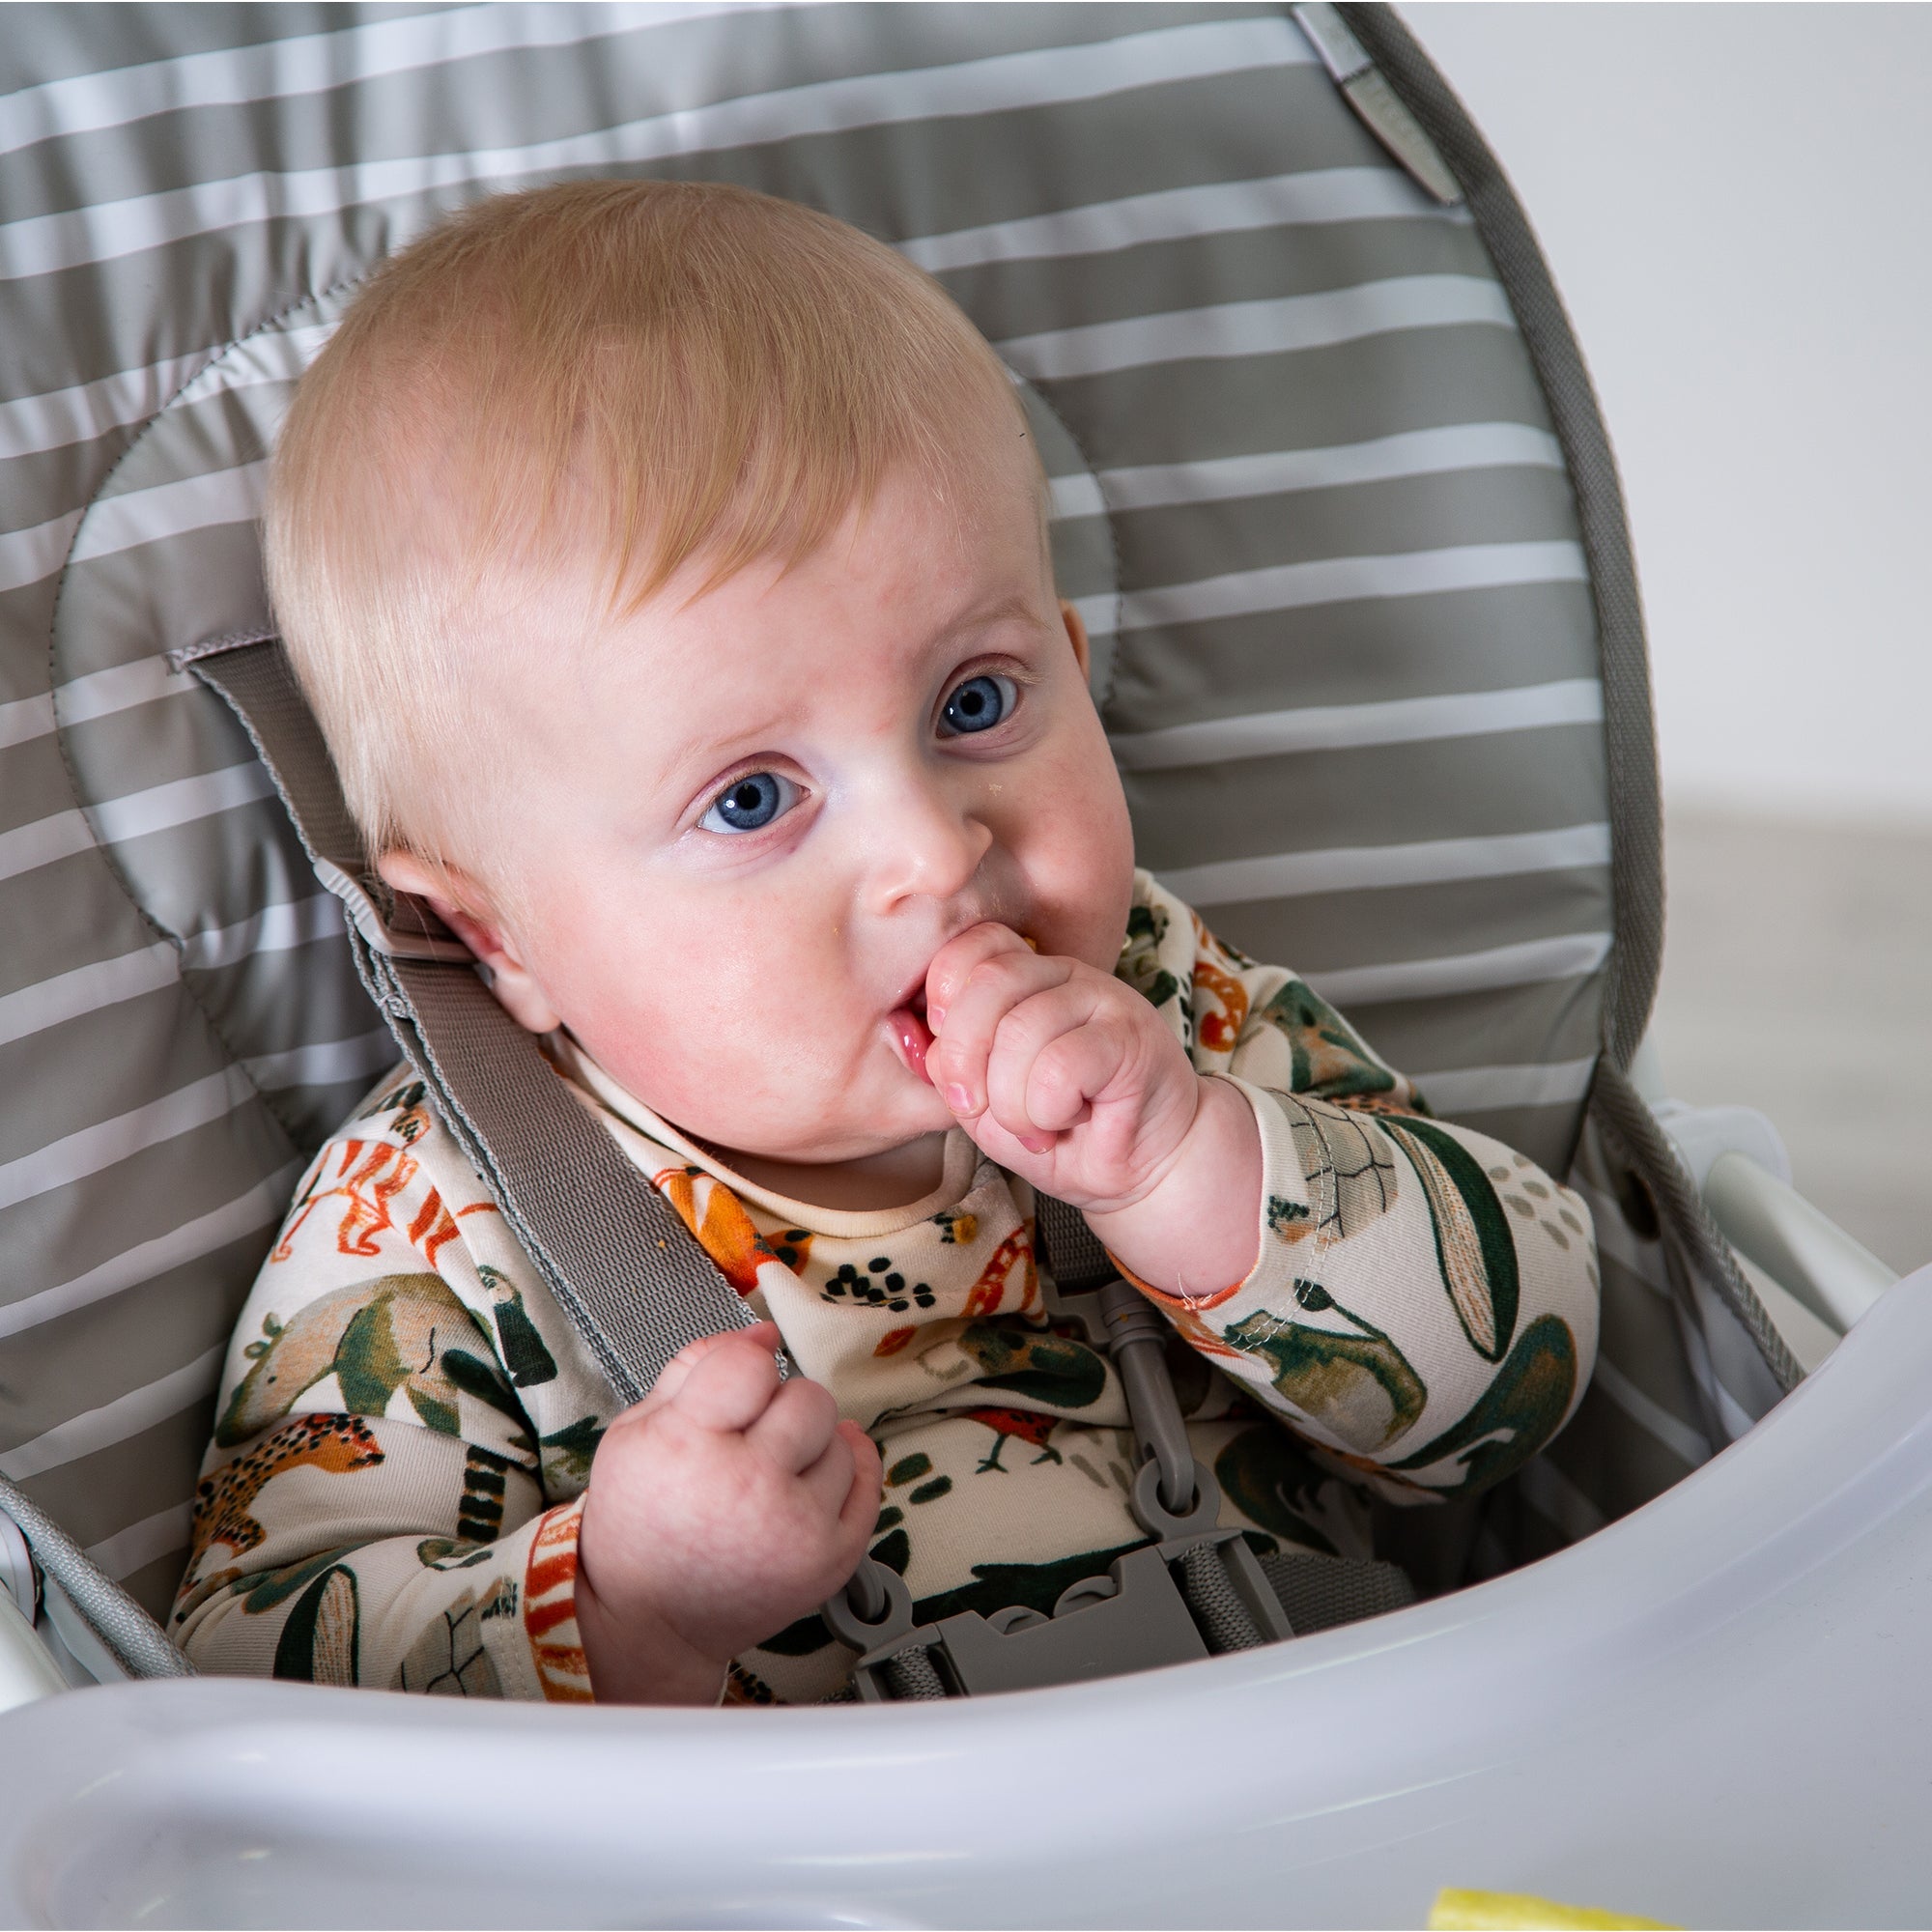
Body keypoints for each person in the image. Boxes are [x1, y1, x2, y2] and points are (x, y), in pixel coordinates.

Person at [169, 180, 1600, 1705]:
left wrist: (1196, 1173)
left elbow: (1537, 1383)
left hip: (1319, 1783)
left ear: (1072, 661)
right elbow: (255, 1672)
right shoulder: (433, 1227)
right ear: (491, 933)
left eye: (974, 704)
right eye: (754, 798)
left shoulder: (1168, 1006)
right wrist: (624, 1600)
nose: (934, 850)